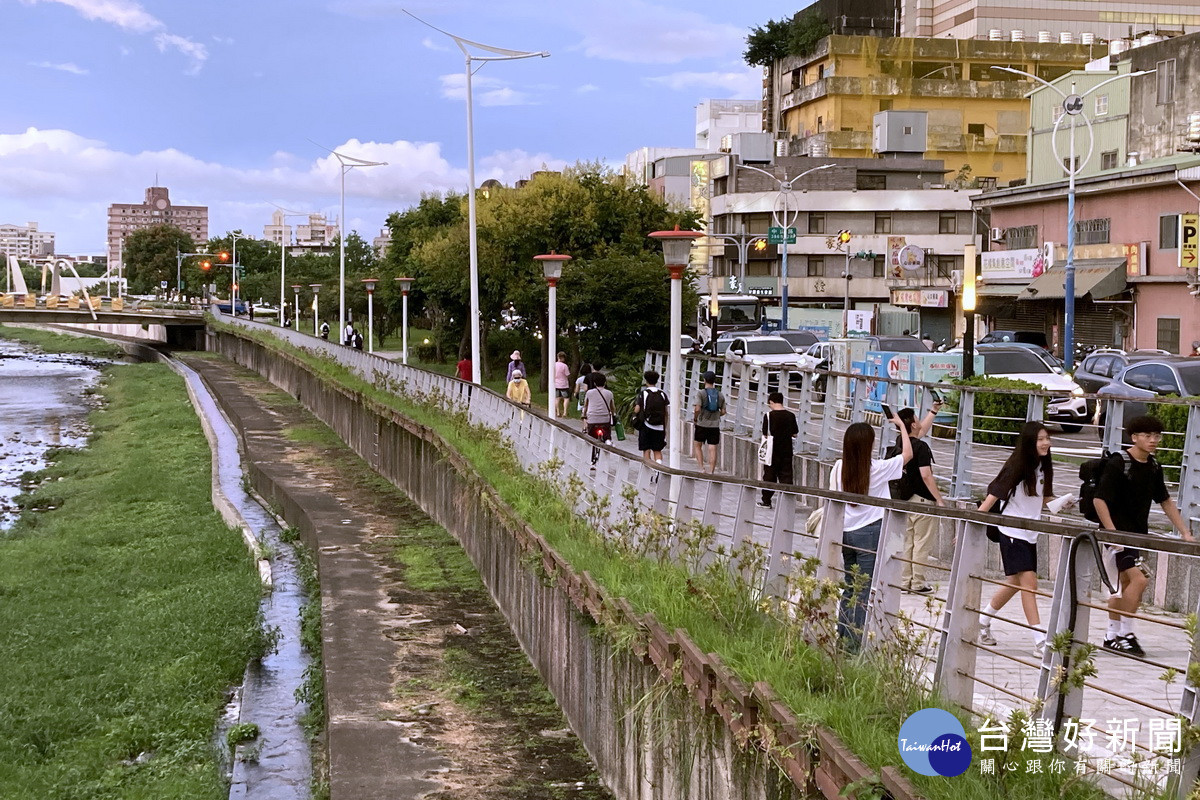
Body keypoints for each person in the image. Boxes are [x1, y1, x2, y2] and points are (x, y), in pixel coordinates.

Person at [1094, 415, 1194, 656]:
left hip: (1139, 535)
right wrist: (1112, 533)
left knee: (1125, 584)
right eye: (1147, 436)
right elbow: (1099, 499)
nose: (1153, 440)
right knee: (1139, 580)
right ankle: (1125, 633)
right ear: (1134, 437)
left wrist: (1184, 532)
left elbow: (1165, 500)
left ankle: (1111, 635)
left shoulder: (1153, 466)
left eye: (1156, 436)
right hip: (1117, 536)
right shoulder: (1119, 463)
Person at [975, 422, 1061, 659]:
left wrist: (1061, 503)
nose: (1045, 443)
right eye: (1040, 439)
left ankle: (982, 621)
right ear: (1029, 442)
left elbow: (1039, 498)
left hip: (1030, 532)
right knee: (1029, 584)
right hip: (1012, 531)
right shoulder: (1018, 464)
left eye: (1047, 438)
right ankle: (1039, 639)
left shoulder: (1043, 466)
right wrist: (973, 521)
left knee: (1014, 582)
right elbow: (994, 493)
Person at [829, 413, 912, 650]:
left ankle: (843, 638)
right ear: (869, 446)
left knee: (850, 586)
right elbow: (908, 454)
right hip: (871, 532)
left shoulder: (838, 467)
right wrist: (902, 428)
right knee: (864, 590)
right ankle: (854, 646)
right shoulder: (877, 468)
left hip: (845, 531)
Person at [891, 404, 946, 594]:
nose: (919, 421)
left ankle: (905, 581)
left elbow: (921, 430)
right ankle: (918, 583)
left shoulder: (901, 442)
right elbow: (926, 475)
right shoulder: (921, 447)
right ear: (913, 425)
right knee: (922, 543)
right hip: (922, 500)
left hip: (905, 499)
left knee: (907, 542)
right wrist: (939, 499)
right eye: (916, 419)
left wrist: (933, 411)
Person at [757, 392, 800, 509]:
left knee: (769, 476)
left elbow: (765, 434)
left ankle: (766, 501)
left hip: (772, 451)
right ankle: (788, 502)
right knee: (786, 476)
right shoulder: (791, 416)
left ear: (771, 402)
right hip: (786, 450)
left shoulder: (768, 416)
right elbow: (795, 433)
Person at [632, 370, 669, 469]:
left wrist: (634, 415)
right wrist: (665, 426)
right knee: (657, 450)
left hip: (646, 425)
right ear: (657, 380)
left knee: (646, 449)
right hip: (660, 427)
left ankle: (648, 470)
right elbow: (666, 412)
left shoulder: (643, 393)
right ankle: (658, 469)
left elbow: (638, 408)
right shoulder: (662, 394)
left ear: (646, 380)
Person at [692, 371, 725, 474]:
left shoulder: (701, 393)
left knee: (697, 445)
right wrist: (716, 416)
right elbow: (723, 411)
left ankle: (702, 468)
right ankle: (711, 471)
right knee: (712, 448)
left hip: (702, 423)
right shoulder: (720, 394)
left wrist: (696, 418)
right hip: (714, 425)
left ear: (704, 380)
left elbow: (697, 409)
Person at [581, 372, 615, 468]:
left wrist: (584, 416)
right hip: (605, 419)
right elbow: (612, 407)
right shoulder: (609, 393)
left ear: (595, 383)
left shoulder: (589, 392)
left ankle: (592, 461)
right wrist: (614, 414)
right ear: (605, 383)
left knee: (592, 440)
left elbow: (586, 406)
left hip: (592, 419)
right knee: (607, 433)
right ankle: (608, 440)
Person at [553, 352, 571, 417]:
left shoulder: (554, 365)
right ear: (563, 358)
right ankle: (565, 412)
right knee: (566, 398)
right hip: (564, 385)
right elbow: (567, 375)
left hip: (556, 384)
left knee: (557, 398)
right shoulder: (564, 366)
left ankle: (557, 412)